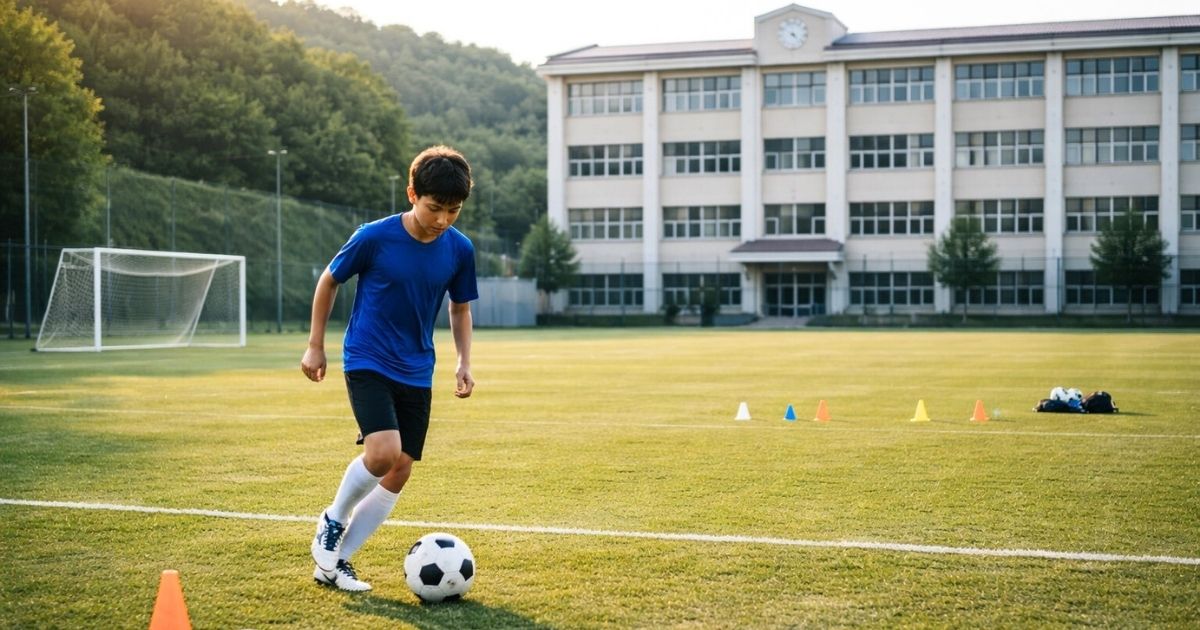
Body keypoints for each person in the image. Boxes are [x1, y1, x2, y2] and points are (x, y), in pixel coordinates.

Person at [300, 145, 478, 592]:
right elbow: (329, 280)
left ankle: (337, 562)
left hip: (417, 368)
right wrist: (315, 345)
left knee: (400, 467)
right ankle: (333, 519)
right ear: (412, 193)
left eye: (453, 210)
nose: (443, 220)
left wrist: (463, 361)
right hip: (368, 357)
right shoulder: (374, 236)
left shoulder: (460, 249)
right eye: (435, 208)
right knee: (382, 454)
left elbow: (459, 308)